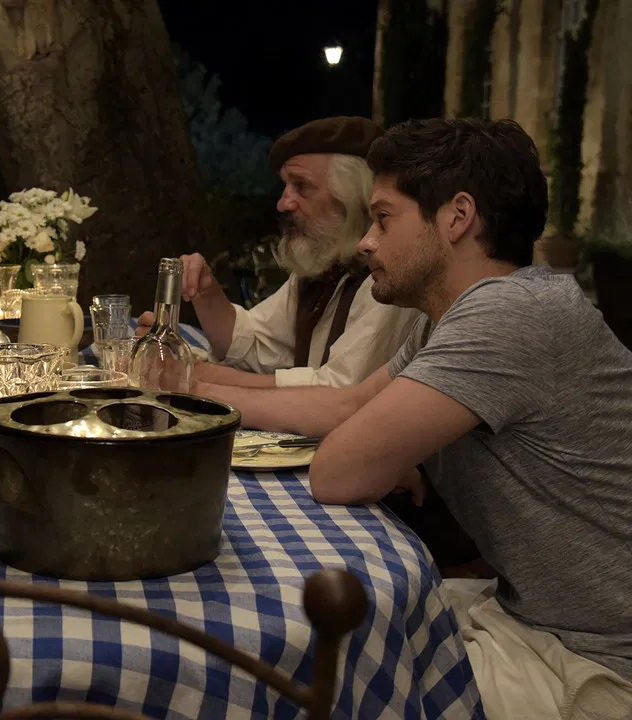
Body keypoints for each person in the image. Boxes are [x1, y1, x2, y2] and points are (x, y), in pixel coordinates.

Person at [290, 117, 632, 718]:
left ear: (457, 217)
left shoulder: (510, 313)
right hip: (531, 618)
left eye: (384, 218)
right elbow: (350, 406)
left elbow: (337, 472)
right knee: (342, 631)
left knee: (327, 673)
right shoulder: (454, 318)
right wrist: (197, 389)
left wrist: (395, 453)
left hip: (595, 664)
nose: (366, 241)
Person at [138, 116, 420, 389]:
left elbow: (337, 392)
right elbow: (257, 346)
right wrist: (206, 291)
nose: (283, 203)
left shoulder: (388, 279)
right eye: (285, 186)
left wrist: (199, 374)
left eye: (301, 186)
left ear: (351, 196)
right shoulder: (323, 267)